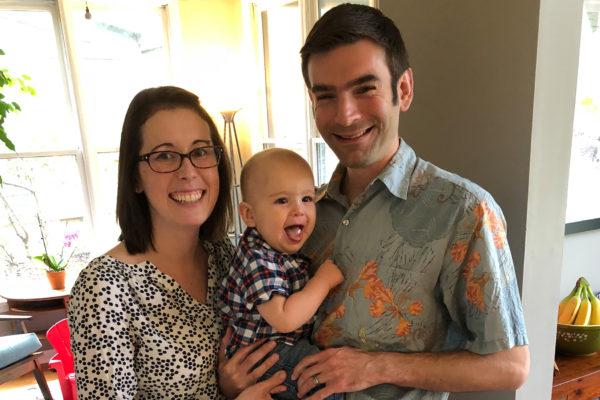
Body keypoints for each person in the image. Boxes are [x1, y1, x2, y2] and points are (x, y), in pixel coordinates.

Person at [286, 4, 530, 400]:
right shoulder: (303, 212)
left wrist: (373, 366)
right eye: (325, 96)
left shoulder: (465, 212)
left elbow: (510, 365)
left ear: (403, 89)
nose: (345, 115)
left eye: (365, 89)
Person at [67, 86, 287, 400]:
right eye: (165, 156)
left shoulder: (226, 256)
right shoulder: (104, 289)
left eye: (200, 151)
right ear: (135, 178)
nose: (189, 171)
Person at [218, 148, 344, 400]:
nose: (299, 210)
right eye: (282, 201)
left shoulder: (275, 248)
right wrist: (323, 280)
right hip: (261, 358)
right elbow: (284, 319)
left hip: (276, 349)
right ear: (249, 215)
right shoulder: (257, 259)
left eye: (307, 199)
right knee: (325, 381)